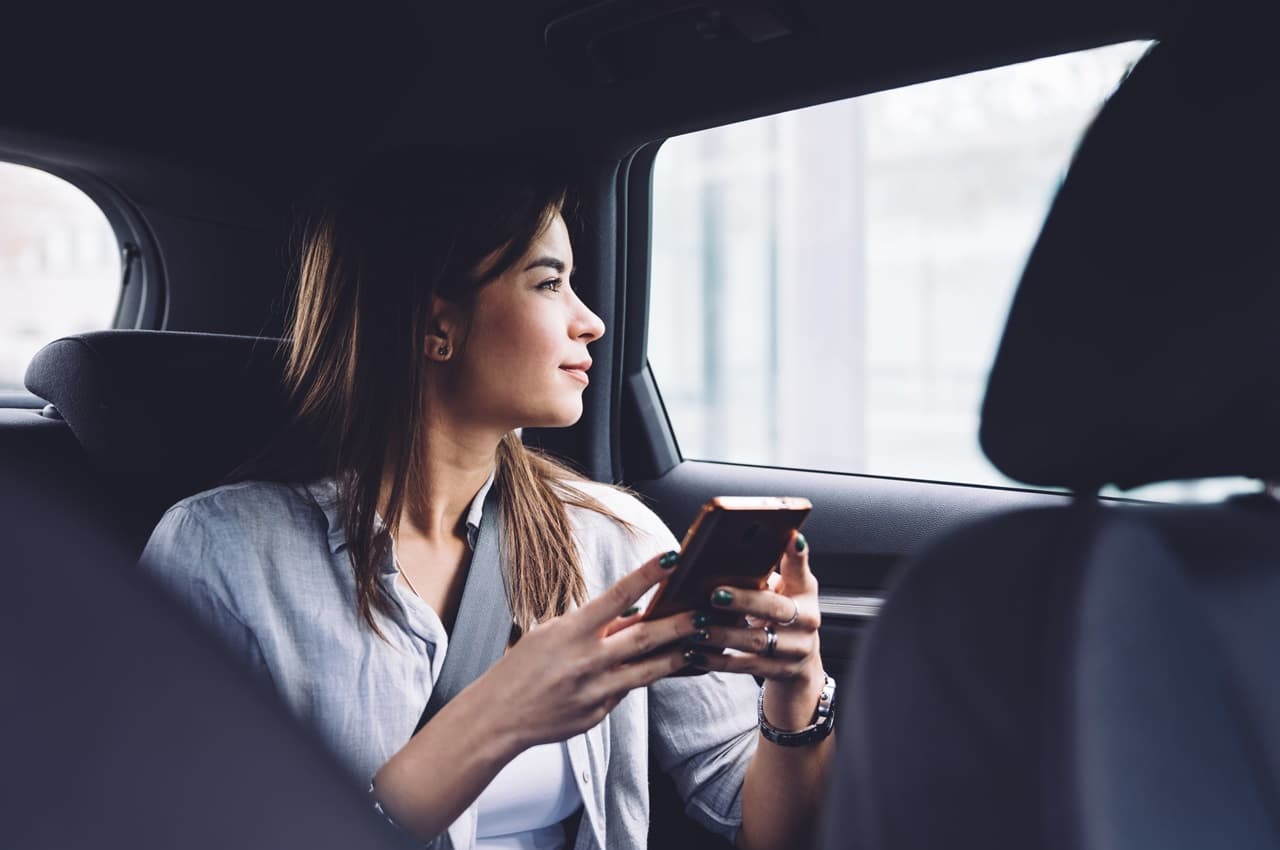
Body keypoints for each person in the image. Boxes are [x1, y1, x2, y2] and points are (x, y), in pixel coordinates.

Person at [137, 153, 835, 850]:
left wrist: (796, 690)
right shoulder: (220, 551)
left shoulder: (613, 539)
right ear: (434, 324)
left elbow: (761, 828)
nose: (589, 320)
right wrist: (496, 718)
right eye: (548, 283)